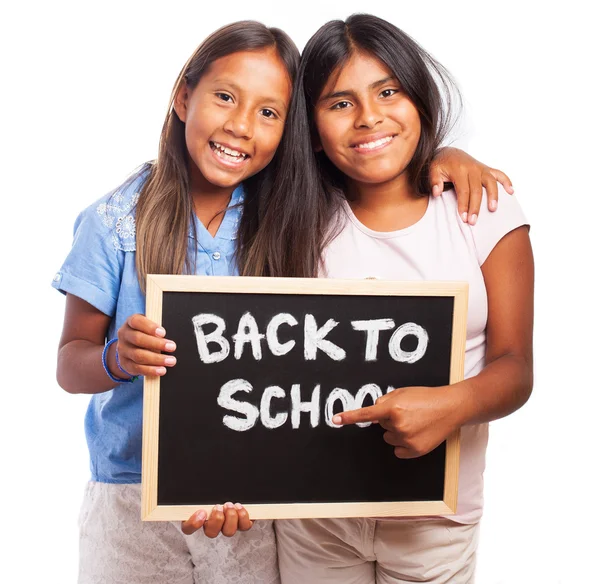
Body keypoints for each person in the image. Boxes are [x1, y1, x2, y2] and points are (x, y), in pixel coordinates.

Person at [54, 18, 514, 584]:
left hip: (249, 497)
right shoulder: (115, 221)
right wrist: (116, 359)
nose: (241, 125)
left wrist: (447, 155)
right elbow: (69, 363)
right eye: (225, 97)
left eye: (269, 112)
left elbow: (373, 162)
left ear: (291, 130)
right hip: (128, 490)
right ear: (182, 96)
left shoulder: (291, 213)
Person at [250, 14, 534, 584]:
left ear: (419, 97)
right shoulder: (295, 222)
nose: (369, 116)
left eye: (388, 91)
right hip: (315, 516)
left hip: (434, 519)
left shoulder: (481, 208)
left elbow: (517, 367)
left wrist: (451, 406)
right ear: (311, 125)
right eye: (339, 103)